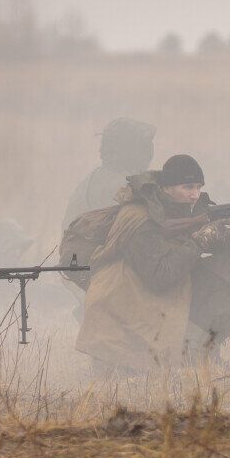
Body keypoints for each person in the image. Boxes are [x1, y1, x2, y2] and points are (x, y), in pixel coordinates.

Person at [75, 155, 230, 372]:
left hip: (160, 301)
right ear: (166, 188)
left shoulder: (184, 211)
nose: (195, 195)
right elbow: (159, 277)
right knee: (134, 372)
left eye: (199, 188)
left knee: (228, 267)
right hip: (130, 306)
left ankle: (200, 354)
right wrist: (199, 241)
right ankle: (179, 358)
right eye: (188, 188)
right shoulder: (140, 219)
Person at [62, 118, 156, 318]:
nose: (147, 153)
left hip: (86, 268)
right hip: (98, 273)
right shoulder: (119, 186)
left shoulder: (98, 178)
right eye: (142, 147)